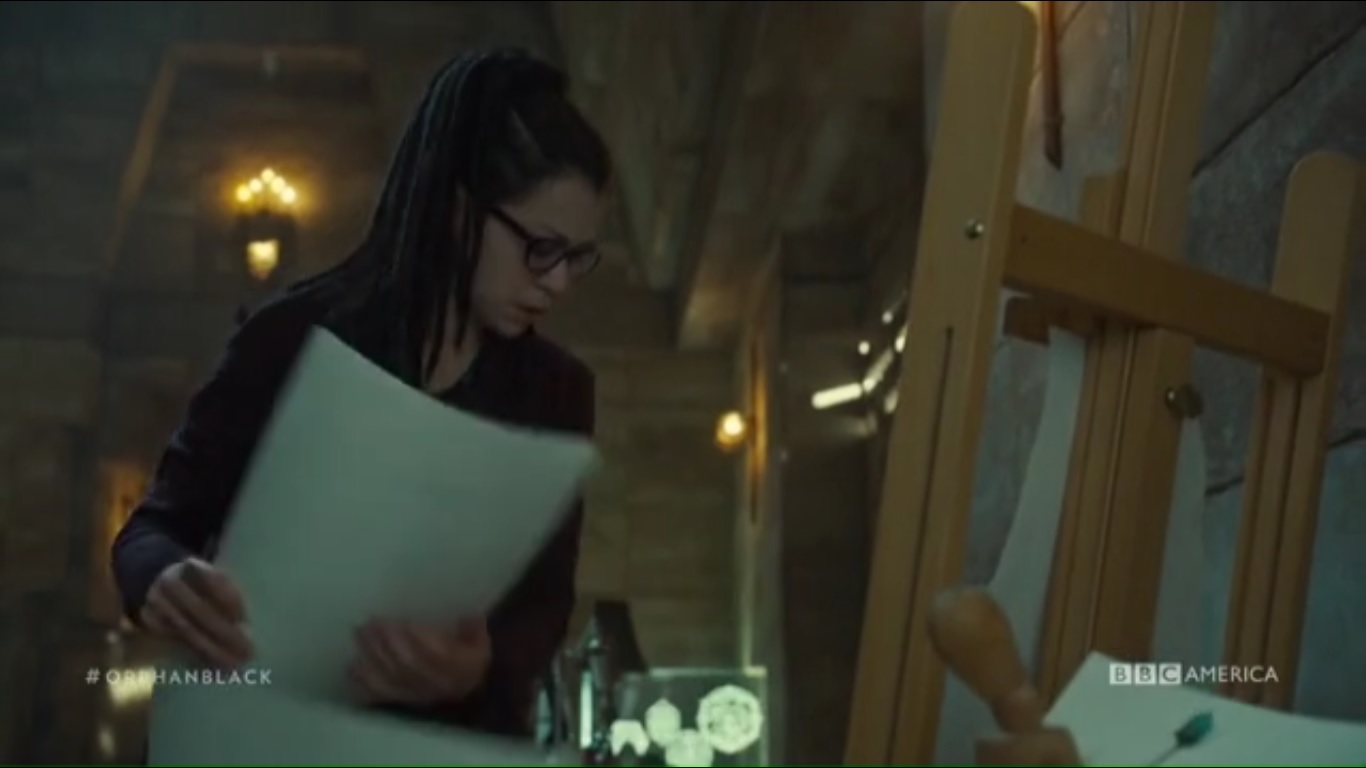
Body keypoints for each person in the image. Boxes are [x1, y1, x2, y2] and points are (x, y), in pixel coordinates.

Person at [110, 48, 612, 738]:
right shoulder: (290, 338)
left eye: (578, 258)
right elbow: (151, 529)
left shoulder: (557, 391)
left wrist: (481, 665)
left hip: (441, 747)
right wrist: (164, 579)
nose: (557, 283)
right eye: (542, 248)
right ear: (457, 208)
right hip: (259, 731)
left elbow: (544, 606)